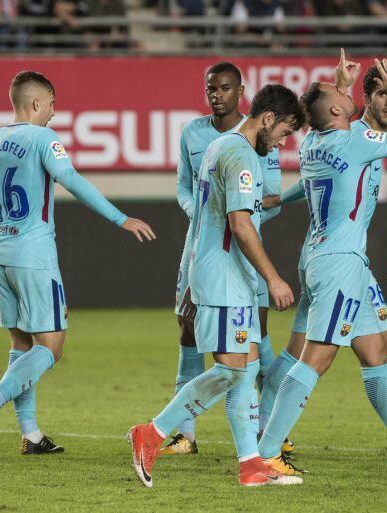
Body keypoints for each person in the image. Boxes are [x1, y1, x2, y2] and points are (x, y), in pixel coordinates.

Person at [257, 50, 387, 480]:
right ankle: (265, 452)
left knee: (380, 347)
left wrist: (340, 89)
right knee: (317, 358)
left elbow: (325, 116)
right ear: (348, 107)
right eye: (381, 94)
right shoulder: (356, 138)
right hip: (339, 262)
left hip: (324, 256)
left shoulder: (314, 139)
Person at [0, 70, 155, 458]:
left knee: (22, 343)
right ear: (35, 103)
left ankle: (31, 436)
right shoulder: (44, 138)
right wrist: (121, 218)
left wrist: (4, 223)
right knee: (51, 346)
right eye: (51, 102)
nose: (54, 111)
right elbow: (71, 179)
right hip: (33, 256)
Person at [128, 84, 305, 488]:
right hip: (224, 277)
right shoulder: (240, 155)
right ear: (267, 118)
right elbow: (241, 225)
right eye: (283, 132)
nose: (282, 142)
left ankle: (251, 465)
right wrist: (273, 278)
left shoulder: (219, 146)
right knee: (230, 372)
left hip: (228, 275)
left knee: (247, 369)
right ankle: (151, 433)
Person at [161, 61, 249, 457]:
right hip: (198, 246)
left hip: (243, 251)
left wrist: (231, 213)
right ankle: (185, 434)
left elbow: (270, 197)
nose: (217, 94)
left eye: (225, 88)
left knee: (251, 346)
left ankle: (266, 434)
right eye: (211, 88)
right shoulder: (192, 132)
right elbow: (183, 184)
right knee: (188, 331)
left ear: (240, 91)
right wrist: (196, 210)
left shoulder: (253, 137)